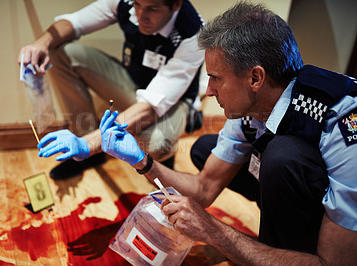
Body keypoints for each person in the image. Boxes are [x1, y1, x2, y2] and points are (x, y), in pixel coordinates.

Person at [98, 2, 357, 264]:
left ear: (255, 78)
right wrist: (142, 161)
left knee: (281, 156)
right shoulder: (250, 106)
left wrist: (215, 231)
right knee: (204, 148)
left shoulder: (342, 121)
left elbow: (334, 263)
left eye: (215, 78)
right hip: (303, 180)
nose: (209, 91)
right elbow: (204, 188)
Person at [18, 0, 204, 177]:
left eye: (152, 9)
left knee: (154, 143)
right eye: (138, 4)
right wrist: (41, 43)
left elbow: (150, 108)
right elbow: (76, 22)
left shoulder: (193, 34)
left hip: (174, 101)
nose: (141, 15)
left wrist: (87, 144)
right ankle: (90, 147)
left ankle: (165, 158)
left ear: (176, 4)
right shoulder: (125, 2)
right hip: (135, 84)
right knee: (60, 51)